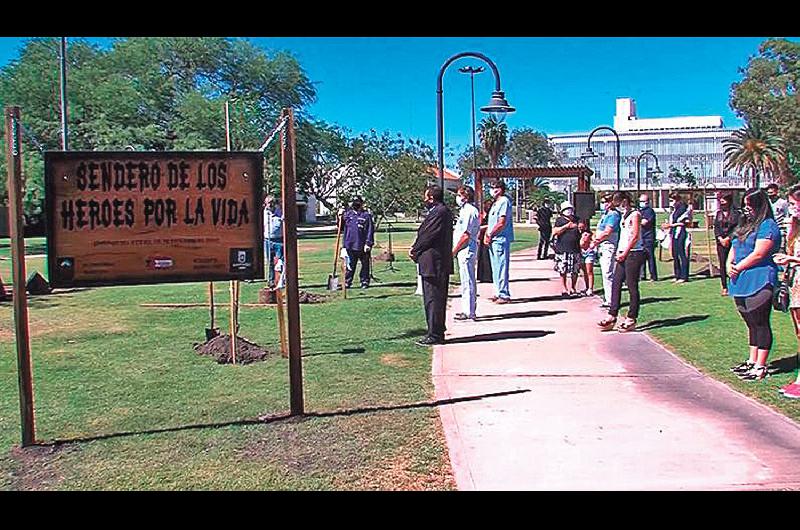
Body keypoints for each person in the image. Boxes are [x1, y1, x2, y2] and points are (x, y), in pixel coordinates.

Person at [727, 188, 782, 382]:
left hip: (759, 278)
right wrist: (729, 264)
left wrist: (739, 267)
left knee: (760, 322)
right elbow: (734, 246)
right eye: (745, 205)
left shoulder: (768, 226)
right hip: (739, 280)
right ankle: (751, 360)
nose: (747, 209)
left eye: (750, 205)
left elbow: (759, 253)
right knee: (750, 322)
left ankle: (761, 365)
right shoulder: (745, 225)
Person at [409, 185, 453, 346]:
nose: (424, 200)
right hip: (435, 262)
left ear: (432, 198)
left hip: (435, 262)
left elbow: (427, 235)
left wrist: (415, 249)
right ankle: (436, 330)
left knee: (433, 299)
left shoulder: (439, 212)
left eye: (426, 197)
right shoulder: (442, 212)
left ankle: (435, 334)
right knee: (434, 298)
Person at [598, 191, 646, 332]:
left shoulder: (635, 214)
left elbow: (635, 236)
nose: (618, 205)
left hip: (633, 253)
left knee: (631, 286)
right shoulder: (623, 215)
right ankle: (612, 315)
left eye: (619, 202)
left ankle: (631, 318)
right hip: (621, 252)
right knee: (616, 284)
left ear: (625, 201)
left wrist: (625, 252)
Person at [773, 184, 800, 398]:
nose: (790, 208)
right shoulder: (795, 227)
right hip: (794, 282)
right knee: (798, 332)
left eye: (793, 204)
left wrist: (791, 259)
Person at [452, 185, 481, 321]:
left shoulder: (470, 211)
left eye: (459, 195)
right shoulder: (464, 210)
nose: (457, 198)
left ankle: (469, 311)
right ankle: (466, 308)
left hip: (466, 249)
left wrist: (454, 250)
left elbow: (466, 235)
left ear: (466, 196)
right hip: (462, 249)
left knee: (468, 280)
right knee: (464, 280)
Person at [484, 180, 514, 304]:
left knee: (501, 266)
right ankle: (497, 292)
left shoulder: (504, 202)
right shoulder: (495, 203)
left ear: (500, 189)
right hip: (493, 239)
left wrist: (490, 234)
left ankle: (504, 294)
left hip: (500, 239)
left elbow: (501, 222)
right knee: (495, 267)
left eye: (494, 187)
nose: (492, 190)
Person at [589, 193, 622, 307]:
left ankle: (612, 300)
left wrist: (595, 241)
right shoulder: (605, 214)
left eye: (606, 202)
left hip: (608, 245)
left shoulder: (614, 215)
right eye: (603, 202)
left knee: (608, 273)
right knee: (605, 273)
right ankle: (608, 299)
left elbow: (608, 232)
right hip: (602, 246)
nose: (604, 204)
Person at [342, 197, 375, 289]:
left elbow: (370, 230)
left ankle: (364, 281)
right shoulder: (348, 215)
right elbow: (341, 227)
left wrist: (368, 243)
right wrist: (339, 216)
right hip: (350, 245)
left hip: (362, 245)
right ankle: (347, 282)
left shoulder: (366, 216)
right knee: (350, 265)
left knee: (365, 265)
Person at [714, 191, 740, 296]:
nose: (722, 202)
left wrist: (729, 238)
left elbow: (737, 227)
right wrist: (720, 238)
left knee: (733, 263)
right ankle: (724, 287)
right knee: (722, 264)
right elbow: (716, 228)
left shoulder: (736, 214)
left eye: (724, 200)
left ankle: (734, 284)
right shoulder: (718, 214)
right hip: (721, 243)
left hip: (732, 242)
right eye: (720, 200)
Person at [552, 201, 581, 297]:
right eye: (566, 209)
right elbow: (555, 232)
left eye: (570, 209)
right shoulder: (559, 220)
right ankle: (564, 288)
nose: (569, 211)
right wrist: (566, 227)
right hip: (562, 249)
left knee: (575, 270)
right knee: (563, 270)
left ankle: (573, 287)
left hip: (575, 248)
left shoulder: (577, 219)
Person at [662, 192, 691, 283]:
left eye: (672, 200)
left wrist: (671, 225)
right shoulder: (674, 210)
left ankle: (684, 276)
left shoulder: (682, 208)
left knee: (681, 254)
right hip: (674, 232)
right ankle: (677, 275)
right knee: (675, 254)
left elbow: (684, 222)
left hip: (680, 232)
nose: (671, 202)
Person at [263, 196, 283, 287]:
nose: (270, 204)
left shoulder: (280, 212)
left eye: (272, 202)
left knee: (280, 261)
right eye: (268, 203)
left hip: (279, 240)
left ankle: (282, 280)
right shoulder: (263, 214)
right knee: (270, 261)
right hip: (267, 241)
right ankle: (271, 281)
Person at [638, 193, 658, 282]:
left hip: (648, 237)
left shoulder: (649, 211)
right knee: (641, 258)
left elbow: (644, 222)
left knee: (650, 257)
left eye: (643, 201)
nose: (642, 203)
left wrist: (636, 221)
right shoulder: (640, 211)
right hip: (641, 237)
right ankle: (642, 275)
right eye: (640, 201)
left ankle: (653, 276)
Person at [767, 182, 789, 251]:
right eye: (769, 193)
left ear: (776, 192)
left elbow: (787, 216)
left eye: (772, 193)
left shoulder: (783, 203)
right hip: (770, 231)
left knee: (780, 250)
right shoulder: (767, 202)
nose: (770, 195)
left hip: (781, 231)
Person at [477, 198, 494, 283]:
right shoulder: (484, 215)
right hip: (482, 237)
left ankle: (488, 276)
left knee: (487, 256)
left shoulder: (490, 216)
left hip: (487, 237)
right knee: (482, 256)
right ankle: (482, 276)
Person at [578, 220, 596, 296]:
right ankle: (587, 287)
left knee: (589, 271)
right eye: (579, 226)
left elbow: (591, 240)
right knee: (584, 271)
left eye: (582, 226)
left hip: (588, 252)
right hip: (581, 253)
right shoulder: (577, 234)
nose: (580, 227)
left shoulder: (589, 234)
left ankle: (590, 288)